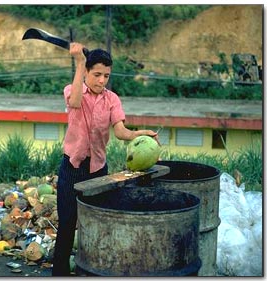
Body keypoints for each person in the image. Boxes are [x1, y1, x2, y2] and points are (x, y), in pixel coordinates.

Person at [52, 42, 158, 276]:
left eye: (106, 76)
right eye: (97, 74)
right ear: (87, 72)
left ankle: (94, 271)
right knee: (68, 224)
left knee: (99, 222)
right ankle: (59, 273)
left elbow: (121, 132)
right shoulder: (72, 89)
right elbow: (76, 102)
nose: (102, 81)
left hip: (99, 170)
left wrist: (140, 133)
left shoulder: (112, 99)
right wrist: (79, 61)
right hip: (72, 168)